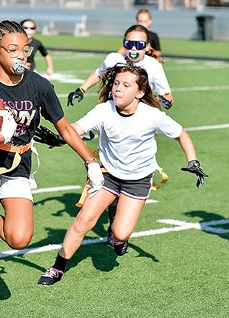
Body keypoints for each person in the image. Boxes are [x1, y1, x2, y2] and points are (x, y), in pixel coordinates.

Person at [0, 20, 104, 318]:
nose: (22, 55)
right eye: (13, 50)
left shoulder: (39, 85)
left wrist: (91, 162)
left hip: (19, 165)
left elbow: (65, 129)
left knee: (18, 239)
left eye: (25, 49)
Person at [37, 64, 208, 286]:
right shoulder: (103, 110)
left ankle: (117, 230)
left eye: (126, 85)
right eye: (116, 83)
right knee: (84, 221)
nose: (118, 89)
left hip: (138, 180)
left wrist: (192, 161)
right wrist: (61, 138)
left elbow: (181, 134)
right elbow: (76, 127)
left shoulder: (152, 116)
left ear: (140, 92)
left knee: (120, 233)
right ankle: (58, 267)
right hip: (107, 174)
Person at [68, 24, 175, 226]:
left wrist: (167, 100)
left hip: (137, 126)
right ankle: (112, 212)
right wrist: (81, 89)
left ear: (147, 45)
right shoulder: (113, 59)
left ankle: (120, 218)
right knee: (105, 168)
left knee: (127, 171)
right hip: (111, 120)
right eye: (128, 44)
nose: (133, 49)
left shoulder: (153, 66)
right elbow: (99, 73)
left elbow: (167, 94)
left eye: (138, 44)